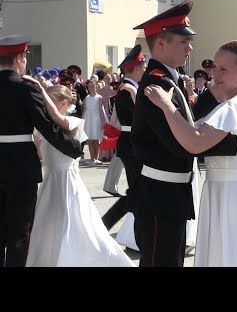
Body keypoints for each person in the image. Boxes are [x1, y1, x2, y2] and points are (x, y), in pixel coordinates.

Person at [144, 40, 237, 267]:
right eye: (214, 67)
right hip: (234, 195)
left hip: (232, 201)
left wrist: (167, 106)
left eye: (224, 70)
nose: (215, 75)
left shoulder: (235, 106)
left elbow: (195, 142)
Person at [130, 0, 237, 267]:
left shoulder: (171, 78)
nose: (190, 47)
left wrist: (212, 94)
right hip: (160, 191)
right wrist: (220, 142)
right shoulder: (157, 81)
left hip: (171, 190)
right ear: (161, 44)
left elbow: (186, 117)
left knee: (171, 258)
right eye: (182, 42)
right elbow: (179, 142)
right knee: (160, 261)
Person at [25, 84, 134, 267]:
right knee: (48, 225)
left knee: (72, 222)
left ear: (63, 103)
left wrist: (41, 90)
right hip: (49, 180)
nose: (45, 104)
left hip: (66, 181)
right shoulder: (44, 127)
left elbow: (60, 120)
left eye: (49, 101)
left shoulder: (73, 122)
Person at [0, 33, 82, 267]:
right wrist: (73, 148)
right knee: (19, 231)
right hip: (20, 168)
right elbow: (46, 127)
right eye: (24, 56)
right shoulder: (25, 89)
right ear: (18, 59)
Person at [102, 45, 146, 232]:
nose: (145, 70)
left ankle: (116, 226)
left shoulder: (128, 88)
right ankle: (106, 223)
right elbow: (141, 117)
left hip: (130, 142)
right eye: (143, 67)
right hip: (132, 143)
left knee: (137, 191)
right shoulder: (129, 90)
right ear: (136, 68)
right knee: (137, 190)